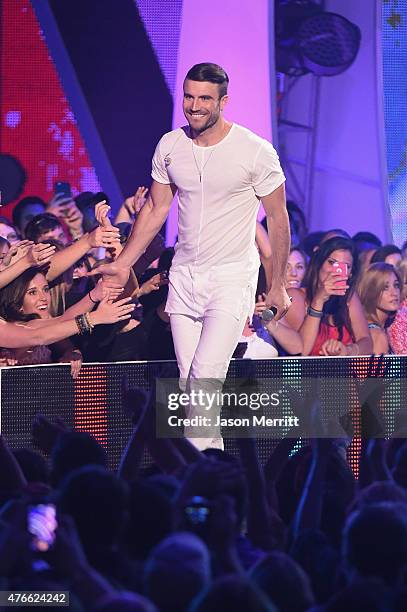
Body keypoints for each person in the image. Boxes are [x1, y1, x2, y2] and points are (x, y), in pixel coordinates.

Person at [96, 62, 291, 449]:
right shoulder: (170, 146)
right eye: (189, 96)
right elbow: (154, 210)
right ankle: (210, 476)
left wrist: (280, 283)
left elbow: (278, 218)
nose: (195, 105)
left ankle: (201, 485)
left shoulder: (254, 151)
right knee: (192, 387)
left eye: (204, 98)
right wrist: (122, 264)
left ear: (223, 101)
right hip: (183, 278)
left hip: (232, 277)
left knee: (204, 378)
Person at [285, 237, 372, 356]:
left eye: (345, 266)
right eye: (332, 263)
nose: (336, 271)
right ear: (319, 263)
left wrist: (348, 350)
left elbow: (367, 343)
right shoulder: (295, 297)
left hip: (343, 371)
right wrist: (318, 301)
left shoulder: (349, 297)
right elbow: (302, 351)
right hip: (307, 372)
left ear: (350, 273)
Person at [358, 262, 401, 354]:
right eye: (385, 287)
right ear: (370, 292)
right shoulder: (376, 335)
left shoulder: (379, 329)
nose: (394, 293)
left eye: (396, 285)